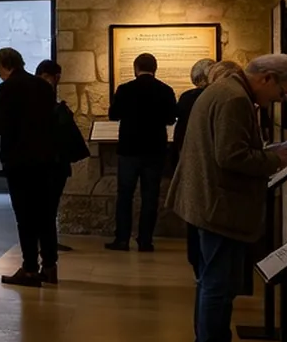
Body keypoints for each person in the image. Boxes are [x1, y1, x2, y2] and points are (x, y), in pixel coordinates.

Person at [169, 54, 287, 342]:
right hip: (219, 207)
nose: (280, 100)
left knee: (213, 283)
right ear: (267, 78)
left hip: (209, 203)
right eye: (283, 93)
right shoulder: (235, 99)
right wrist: (275, 158)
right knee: (217, 285)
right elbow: (231, 156)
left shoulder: (224, 90)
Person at [0, 47, 59, 287]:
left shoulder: (8, 88)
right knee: (45, 215)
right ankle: (50, 267)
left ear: (4, 64)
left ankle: (29, 269)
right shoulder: (44, 87)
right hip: (45, 159)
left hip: (19, 161)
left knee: (25, 217)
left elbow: (3, 126)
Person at [107, 52, 178, 252]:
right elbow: (171, 119)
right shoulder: (165, 90)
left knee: (125, 195)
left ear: (136, 68)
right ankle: (145, 240)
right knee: (150, 196)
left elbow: (114, 115)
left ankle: (121, 239)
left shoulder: (125, 89)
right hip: (155, 149)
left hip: (129, 148)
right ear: (155, 68)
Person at [36, 59, 90, 267]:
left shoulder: (44, 103)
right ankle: (49, 259)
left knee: (45, 211)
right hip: (56, 163)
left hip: (48, 163)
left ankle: (46, 258)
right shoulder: (50, 103)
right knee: (47, 210)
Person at [173, 58, 216, 277]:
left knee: (193, 214)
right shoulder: (216, 98)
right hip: (211, 166)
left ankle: (197, 264)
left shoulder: (188, 98)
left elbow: (179, 129)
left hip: (190, 161)